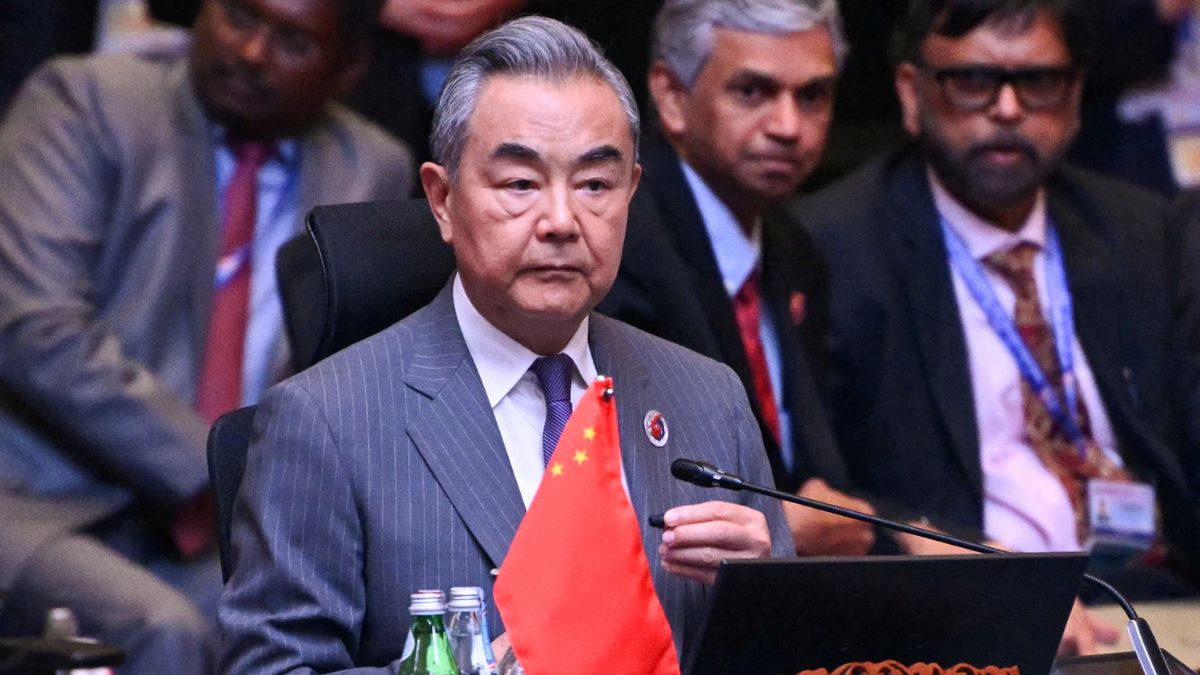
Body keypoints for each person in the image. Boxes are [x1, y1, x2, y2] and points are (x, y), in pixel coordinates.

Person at [218, 15, 791, 672]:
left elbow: (794, 655)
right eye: (520, 184)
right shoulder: (327, 420)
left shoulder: (708, 398)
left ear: (631, 194)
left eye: (595, 185)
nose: (561, 221)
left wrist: (764, 601)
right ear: (442, 199)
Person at [0, 0, 411, 671]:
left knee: (316, 621)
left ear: (349, 67)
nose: (251, 53)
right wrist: (224, 470)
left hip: (227, 527)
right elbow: (33, 328)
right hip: (40, 496)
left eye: (292, 42)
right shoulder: (90, 102)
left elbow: (355, 375)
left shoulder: (369, 167)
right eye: (239, 17)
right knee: (166, 630)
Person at [802, 0, 1200, 653]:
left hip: (1158, 599)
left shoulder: (1144, 232)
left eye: (1039, 81)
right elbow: (825, 495)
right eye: (973, 81)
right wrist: (997, 589)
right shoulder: (833, 251)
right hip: (966, 612)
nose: (1009, 109)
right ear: (911, 93)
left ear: (1075, 96)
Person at [599, 0, 891, 557]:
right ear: (671, 96)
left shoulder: (794, 247)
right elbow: (604, 486)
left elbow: (818, 485)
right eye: (753, 92)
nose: (788, 127)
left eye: (812, 96)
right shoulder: (621, 243)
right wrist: (779, 532)